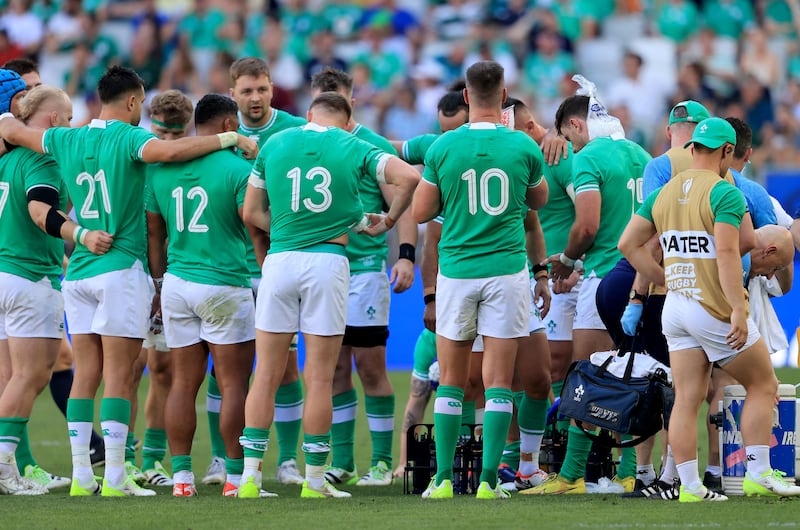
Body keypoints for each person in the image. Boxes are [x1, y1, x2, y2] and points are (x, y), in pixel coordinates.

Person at [0, 65, 258, 497]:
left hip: (78, 269)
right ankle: (116, 476)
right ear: (134, 101)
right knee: (120, 376)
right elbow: (172, 153)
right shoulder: (130, 138)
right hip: (120, 267)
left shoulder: (68, 137)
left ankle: (84, 478)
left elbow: (16, 129)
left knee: (85, 375)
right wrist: (230, 138)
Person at [236, 91, 419, 499]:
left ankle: (248, 479)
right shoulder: (354, 144)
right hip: (327, 262)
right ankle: (315, 481)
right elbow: (409, 178)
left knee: (265, 372)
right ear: (348, 118)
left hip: (280, 261)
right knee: (319, 375)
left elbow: (249, 213)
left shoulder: (276, 143)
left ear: (308, 115)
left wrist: (284, 225)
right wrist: (387, 220)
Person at [619, 116, 800, 502]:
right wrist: (738, 307)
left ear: (692, 148)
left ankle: (689, 487)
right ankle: (757, 473)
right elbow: (735, 248)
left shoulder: (663, 193)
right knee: (763, 384)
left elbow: (628, 244)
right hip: (713, 305)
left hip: (675, 306)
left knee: (686, 398)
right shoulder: (726, 191)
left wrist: (661, 277)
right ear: (727, 151)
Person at [413, 60, 549, 500]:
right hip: (507, 272)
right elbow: (539, 200)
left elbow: (420, 212)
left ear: (466, 96)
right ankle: (490, 480)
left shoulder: (443, 148)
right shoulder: (522, 147)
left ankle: (443, 480)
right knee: (498, 380)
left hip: (456, 271)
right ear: (505, 93)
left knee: (452, 379)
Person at [532, 90, 651, 495]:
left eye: (568, 136)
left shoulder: (589, 157)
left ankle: (571, 475)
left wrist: (568, 259)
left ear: (577, 125)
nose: (568, 146)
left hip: (606, 279)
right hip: (647, 278)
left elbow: (587, 226)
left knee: (587, 376)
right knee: (636, 374)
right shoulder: (641, 154)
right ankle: (632, 469)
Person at [0, 85, 112, 496]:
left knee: (11, 377)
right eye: (66, 119)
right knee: (32, 375)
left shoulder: (6, 157)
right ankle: (3, 466)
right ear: (51, 120)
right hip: (29, 277)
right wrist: (79, 234)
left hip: (2, 272)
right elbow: (38, 208)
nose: (68, 126)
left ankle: (8, 465)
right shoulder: (41, 158)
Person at [146, 94, 259, 498]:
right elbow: (254, 223)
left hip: (176, 283)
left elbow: (154, 235)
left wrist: (158, 285)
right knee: (233, 385)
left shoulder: (162, 170)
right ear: (230, 124)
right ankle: (233, 479)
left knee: (182, 384)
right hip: (224, 282)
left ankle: (180, 480)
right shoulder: (238, 169)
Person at [310, 66, 416, 487]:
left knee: (371, 368)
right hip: (321, 272)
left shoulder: (371, 145)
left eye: (337, 99)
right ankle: (343, 462)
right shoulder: (304, 145)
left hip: (365, 273)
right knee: (334, 369)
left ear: (351, 103)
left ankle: (380, 463)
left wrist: (405, 255)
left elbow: (403, 199)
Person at [210, 56, 307, 488]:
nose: (255, 98)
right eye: (246, 90)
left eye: (262, 89)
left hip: (275, 268)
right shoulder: (217, 133)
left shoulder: (291, 130)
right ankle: (219, 458)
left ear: (272, 88)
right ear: (232, 92)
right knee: (225, 369)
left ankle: (287, 460)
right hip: (227, 267)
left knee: (284, 367)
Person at [137, 90, 196, 489]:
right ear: (150, 126)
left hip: (178, 278)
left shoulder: (197, 159)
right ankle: (123, 457)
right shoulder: (139, 159)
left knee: (166, 370)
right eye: (163, 133)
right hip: (137, 275)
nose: (170, 144)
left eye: (177, 134)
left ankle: (153, 458)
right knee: (130, 368)